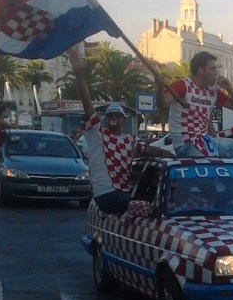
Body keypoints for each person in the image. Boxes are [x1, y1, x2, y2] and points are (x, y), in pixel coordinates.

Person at [69, 48, 172, 214]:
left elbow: (147, 149)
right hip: (107, 195)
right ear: (105, 118)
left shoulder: (130, 139)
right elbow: (87, 105)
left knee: (157, 187)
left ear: (124, 120)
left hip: (125, 193)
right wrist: (80, 75)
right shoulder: (97, 133)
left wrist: (169, 155)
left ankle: (134, 214)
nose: (114, 117)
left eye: (118, 115)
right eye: (111, 115)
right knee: (157, 209)